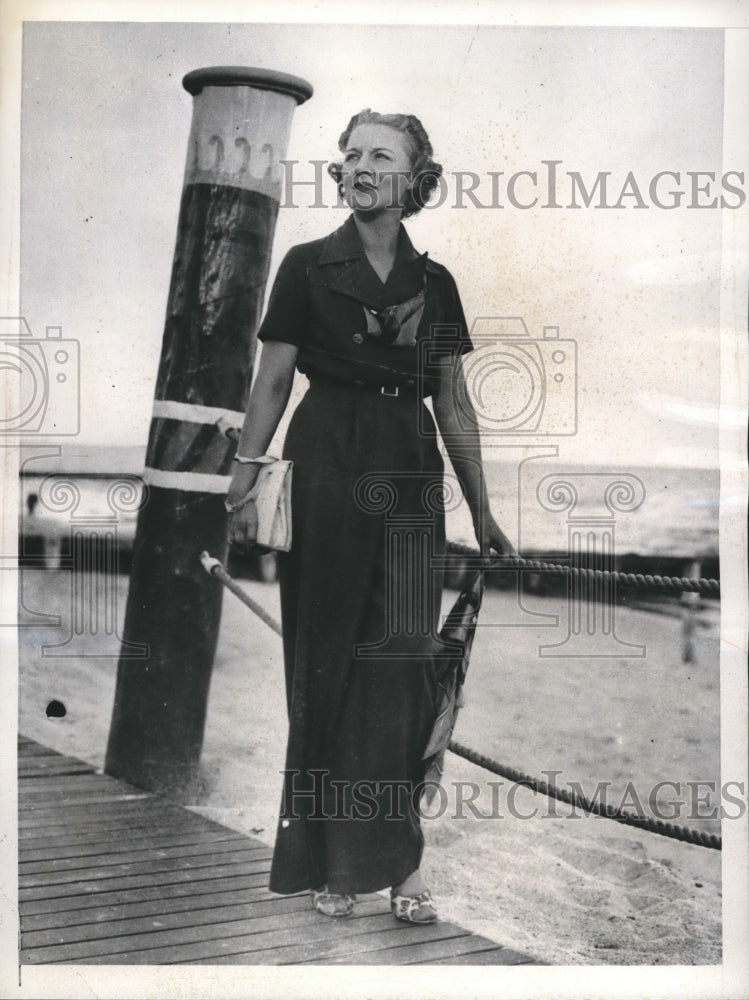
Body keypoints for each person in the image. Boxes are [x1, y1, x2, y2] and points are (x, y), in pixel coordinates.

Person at [226, 109, 514, 924]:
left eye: (378, 156)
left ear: (412, 179)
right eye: (349, 154)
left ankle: (398, 865)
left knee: (399, 667)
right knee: (323, 662)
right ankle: (326, 859)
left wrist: (483, 508)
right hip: (327, 460)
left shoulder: (436, 284)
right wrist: (245, 478)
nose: (356, 166)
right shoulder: (308, 266)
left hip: (409, 468)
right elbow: (272, 384)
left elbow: (453, 402)